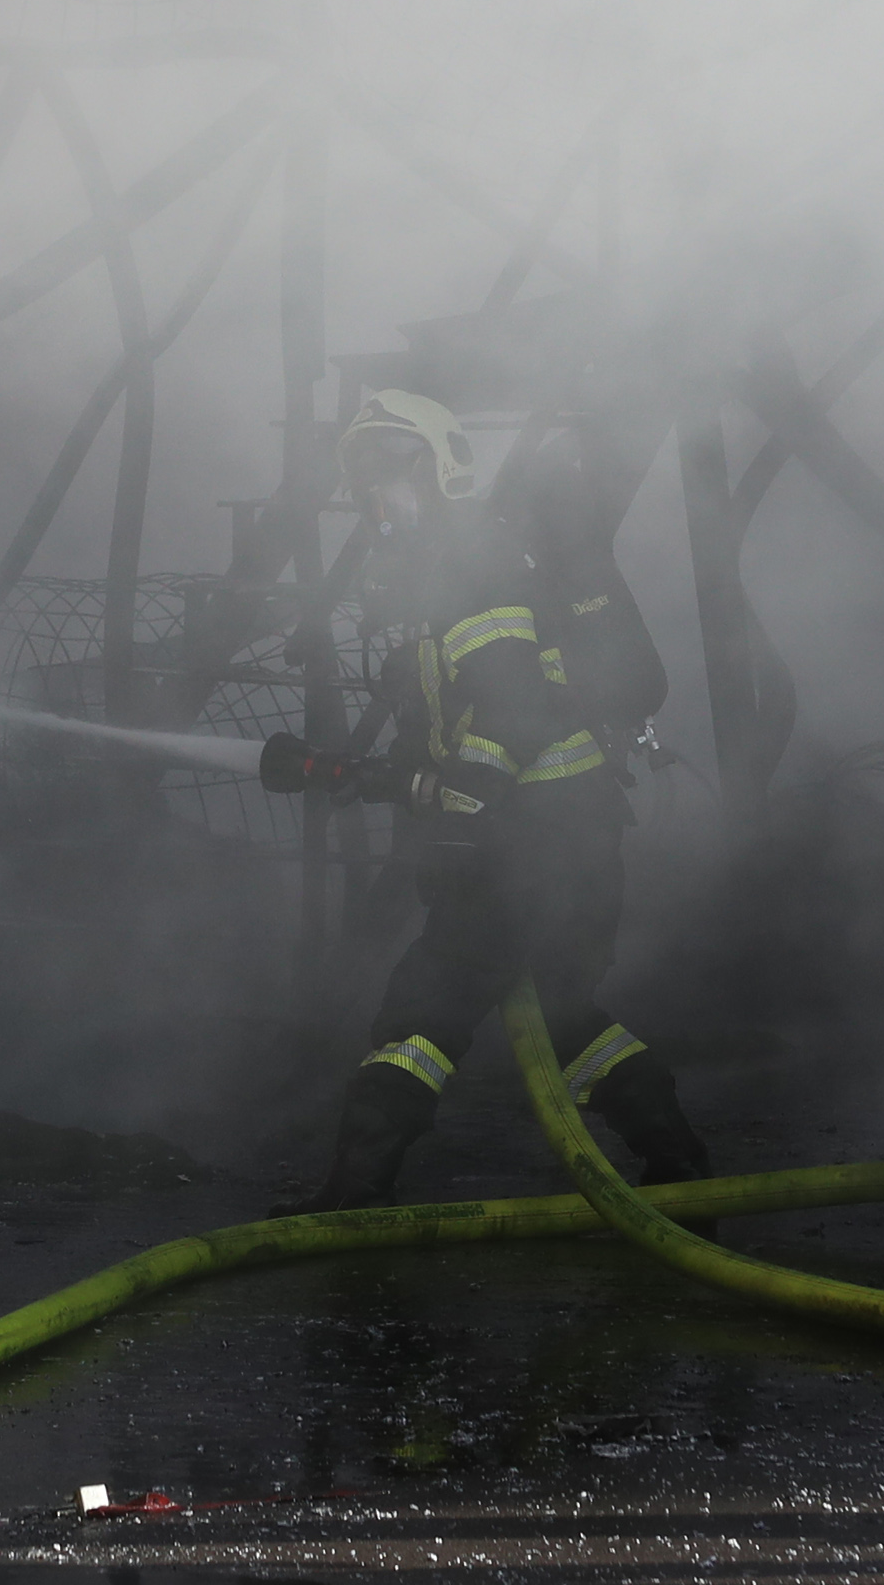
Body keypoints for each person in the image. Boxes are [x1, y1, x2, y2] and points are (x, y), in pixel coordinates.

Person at [296, 387, 709, 1208]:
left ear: (442, 467)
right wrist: (388, 774)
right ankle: (683, 1173)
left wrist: (461, 815)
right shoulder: (454, 565)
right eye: (364, 474)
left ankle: (349, 1201)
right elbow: (454, 711)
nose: (376, 491)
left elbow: (515, 709)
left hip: (529, 847)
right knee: (565, 1015)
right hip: (573, 842)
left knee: (420, 1019)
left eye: (392, 467)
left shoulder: (471, 563)